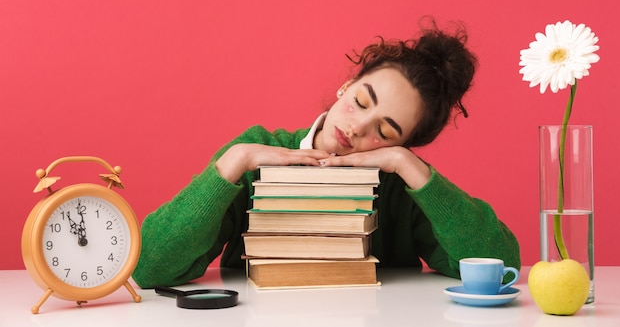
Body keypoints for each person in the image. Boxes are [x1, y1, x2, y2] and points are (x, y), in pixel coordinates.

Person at [132, 19, 520, 288]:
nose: (356, 128)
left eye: (384, 132)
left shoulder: (401, 188)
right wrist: (233, 162)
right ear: (346, 86)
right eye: (360, 101)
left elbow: (502, 269)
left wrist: (409, 167)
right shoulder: (256, 154)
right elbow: (150, 267)